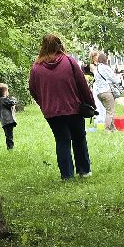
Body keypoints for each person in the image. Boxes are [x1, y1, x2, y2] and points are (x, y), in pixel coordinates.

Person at [28, 34, 95, 179]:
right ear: (59, 45)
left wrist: (44, 103)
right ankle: (84, 171)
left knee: (62, 140)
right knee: (79, 138)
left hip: (51, 112)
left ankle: (67, 175)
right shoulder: (69, 61)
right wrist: (91, 103)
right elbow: (82, 84)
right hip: (73, 108)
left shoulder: (36, 68)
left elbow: (33, 90)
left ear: (43, 46)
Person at [91, 51, 122, 132]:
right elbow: (115, 80)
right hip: (106, 91)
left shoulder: (96, 68)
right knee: (110, 111)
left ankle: (113, 128)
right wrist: (119, 77)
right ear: (105, 60)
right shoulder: (106, 67)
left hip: (99, 93)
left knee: (108, 111)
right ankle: (107, 129)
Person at [0, 83, 17, 149]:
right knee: (9, 136)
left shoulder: (0, 100)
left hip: (5, 122)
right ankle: (10, 148)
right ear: (5, 91)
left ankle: (10, 147)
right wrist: (14, 100)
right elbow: (11, 103)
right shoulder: (3, 100)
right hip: (8, 121)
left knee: (8, 135)